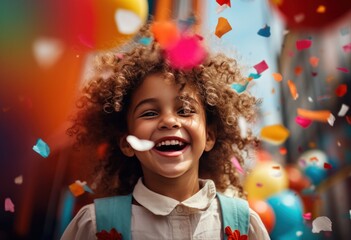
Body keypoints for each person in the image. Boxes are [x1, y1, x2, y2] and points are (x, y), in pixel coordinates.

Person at [61, 24, 270, 240]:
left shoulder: (245, 224)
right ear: (126, 143)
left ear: (209, 136)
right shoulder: (94, 225)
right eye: (149, 113)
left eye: (185, 110)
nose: (169, 121)